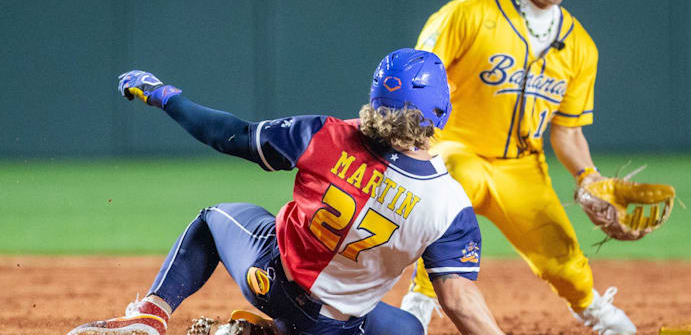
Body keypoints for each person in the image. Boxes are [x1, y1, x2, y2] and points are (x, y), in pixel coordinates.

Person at [66, 49, 505, 335]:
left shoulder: (324, 135)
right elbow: (458, 300)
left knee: (214, 218)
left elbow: (230, 135)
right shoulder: (451, 208)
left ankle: (151, 315)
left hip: (268, 281)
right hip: (336, 328)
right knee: (410, 329)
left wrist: (166, 97)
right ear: (441, 109)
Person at [399, 0, 636, 335]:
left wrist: (588, 177)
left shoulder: (579, 45)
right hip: (454, 149)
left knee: (563, 259)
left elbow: (567, 131)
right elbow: (415, 81)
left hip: (520, 167)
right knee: (459, 177)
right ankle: (419, 299)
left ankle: (593, 308)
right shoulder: (467, 15)